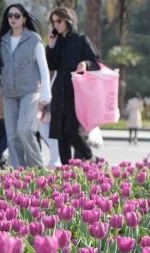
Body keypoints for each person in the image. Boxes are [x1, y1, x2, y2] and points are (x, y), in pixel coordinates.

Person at [0, 4, 51, 170]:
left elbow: (43, 66)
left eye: (17, 16)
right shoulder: (3, 40)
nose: (13, 19)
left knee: (25, 130)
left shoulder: (34, 39)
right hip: (9, 92)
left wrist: (46, 91)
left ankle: (37, 168)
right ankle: (19, 171)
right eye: (10, 16)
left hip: (30, 90)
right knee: (12, 135)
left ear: (24, 18)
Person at [46, 7, 101, 165]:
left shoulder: (80, 39)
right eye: (53, 21)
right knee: (60, 132)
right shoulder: (56, 41)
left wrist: (84, 63)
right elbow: (51, 64)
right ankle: (67, 170)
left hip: (76, 89)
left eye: (59, 21)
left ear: (68, 20)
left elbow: (96, 62)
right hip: (59, 89)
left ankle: (91, 157)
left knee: (72, 130)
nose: (56, 25)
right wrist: (50, 45)